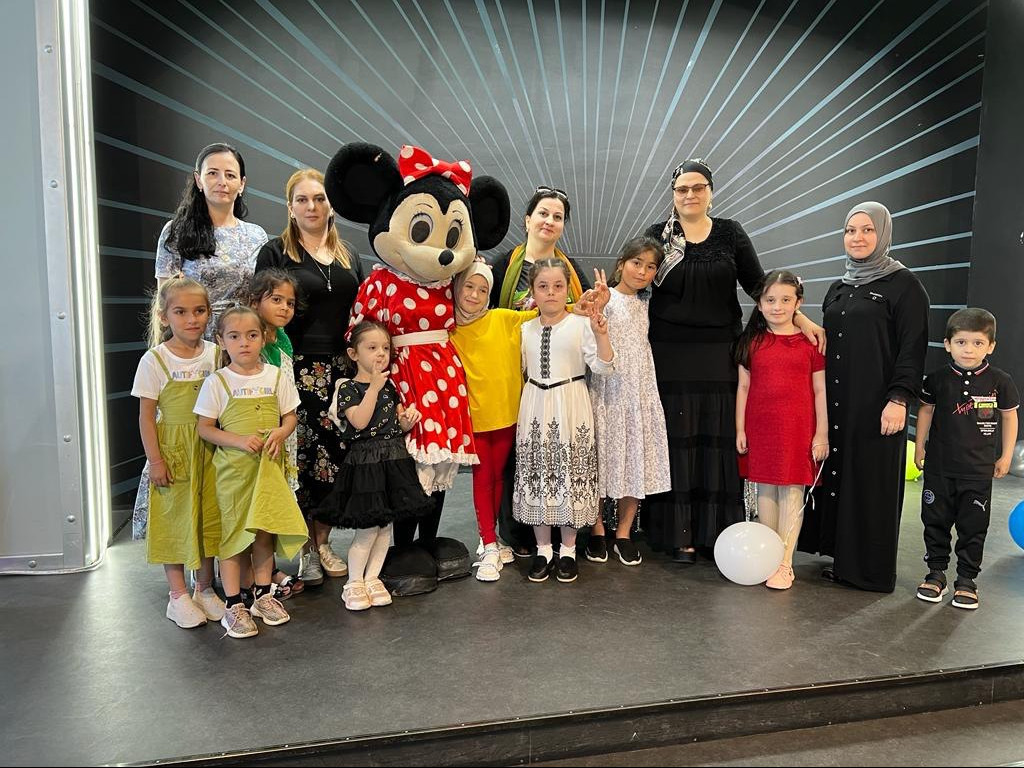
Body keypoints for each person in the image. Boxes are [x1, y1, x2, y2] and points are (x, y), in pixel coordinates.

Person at [643, 158, 824, 564]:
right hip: (669, 354)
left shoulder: (730, 232)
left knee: (716, 442)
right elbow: (635, 281)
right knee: (676, 442)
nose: (690, 195)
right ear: (673, 195)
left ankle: (716, 533)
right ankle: (679, 536)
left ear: (711, 191)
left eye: (698, 187)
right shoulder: (658, 236)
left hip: (721, 352)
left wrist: (801, 319)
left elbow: (761, 286)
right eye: (682, 189)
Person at [134, 142, 267, 541]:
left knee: (238, 437)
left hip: (241, 347)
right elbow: (168, 299)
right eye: (212, 173)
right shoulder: (176, 233)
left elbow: (261, 297)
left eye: (230, 174)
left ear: (242, 184)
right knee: (194, 436)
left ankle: (238, 548)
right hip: (194, 346)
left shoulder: (256, 236)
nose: (221, 181)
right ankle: (195, 544)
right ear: (198, 179)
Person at [799, 202, 929, 593]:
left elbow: (913, 348)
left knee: (872, 484)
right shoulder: (840, 287)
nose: (857, 238)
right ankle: (842, 561)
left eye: (867, 230)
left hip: (877, 403)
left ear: (883, 234)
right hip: (839, 401)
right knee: (842, 477)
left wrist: (899, 399)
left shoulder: (904, 286)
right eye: (850, 230)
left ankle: (870, 572)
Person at [255, 169, 364, 587]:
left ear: (330, 204)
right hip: (292, 367)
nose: (312, 206)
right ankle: (303, 550)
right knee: (299, 460)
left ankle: (323, 542)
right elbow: (261, 310)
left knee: (334, 460)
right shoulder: (275, 252)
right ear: (290, 207)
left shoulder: (348, 254)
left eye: (319, 198)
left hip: (340, 370)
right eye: (302, 199)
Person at [488, 186, 593, 556]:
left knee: (561, 456)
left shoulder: (571, 271)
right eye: (543, 213)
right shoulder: (504, 266)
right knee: (518, 456)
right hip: (512, 374)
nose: (549, 221)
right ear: (528, 219)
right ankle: (519, 533)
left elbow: (584, 315)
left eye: (558, 217)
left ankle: (565, 538)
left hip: (560, 382)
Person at [195, 306, 308, 638]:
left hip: (268, 472)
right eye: (234, 336)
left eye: (252, 335)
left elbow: (290, 417)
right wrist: (239, 440)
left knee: (264, 533)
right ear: (221, 341)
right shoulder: (217, 382)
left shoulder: (275, 376)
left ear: (264, 338)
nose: (244, 342)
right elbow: (205, 428)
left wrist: (280, 433)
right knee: (234, 535)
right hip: (232, 474)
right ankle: (234, 604)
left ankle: (263, 595)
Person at [315, 321, 433, 610]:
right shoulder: (348, 388)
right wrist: (374, 389)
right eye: (372, 348)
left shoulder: (389, 386)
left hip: (393, 460)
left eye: (385, 348)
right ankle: (354, 582)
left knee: (384, 528)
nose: (381, 353)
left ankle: (372, 578)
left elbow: (395, 423)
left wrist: (407, 421)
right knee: (368, 529)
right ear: (353, 354)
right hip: (366, 464)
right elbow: (359, 421)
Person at [513, 259, 615, 584]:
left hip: (570, 404)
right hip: (534, 404)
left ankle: (568, 550)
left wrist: (601, 334)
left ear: (567, 289)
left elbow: (604, 366)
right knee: (539, 472)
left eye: (558, 286)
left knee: (569, 473)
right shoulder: (524, 330)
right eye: (543, 286)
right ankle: (543, 549)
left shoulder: (581, 325)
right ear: (533, 291)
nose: (551, 293)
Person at [131, 277, 223, 628]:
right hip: (174, 450)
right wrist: (156, 460)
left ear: (209, 313)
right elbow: (146, 416)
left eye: (199, 311)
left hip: (210, 449)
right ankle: (178, 594)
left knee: (209, 517)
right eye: (181, 312)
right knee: (174, 518)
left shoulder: (216, 354)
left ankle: (204, 587)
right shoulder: (155, 360)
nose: (191, 319)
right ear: (164, 316)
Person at [914, 308, 1019, 609]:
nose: (968, 350)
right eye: (961, 342)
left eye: (977, 343)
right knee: (935, 521)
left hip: (977, 470)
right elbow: (925, 411)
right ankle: (936, 574)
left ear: (991, 346)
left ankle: (966, 580)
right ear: (948, 344)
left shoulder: (1000, 381)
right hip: (940, 467)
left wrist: (1006, 455)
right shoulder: (936, 379)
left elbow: (1009, 417)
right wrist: (919, 447)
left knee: (973, 526)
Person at [735, 271, 828, 590]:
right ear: (759, 304)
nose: (777, 307)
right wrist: (740, 429)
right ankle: (769, 558)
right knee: (765, 491)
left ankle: (785, 562)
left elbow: (820, 390)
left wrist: (822, 433)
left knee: (791, 490)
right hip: (761, 428)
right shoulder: (751, 343)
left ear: (798, 303)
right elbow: (743, 387)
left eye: (786, 300)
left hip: (798, 429)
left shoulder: (811, 344)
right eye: (770, 300)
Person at [586, 237, 671, 567]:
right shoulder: (603, 298)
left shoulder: (650, 305)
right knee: (598, 460)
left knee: (635, 460)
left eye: (651, 267)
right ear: (622, 263)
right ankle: (596, 529)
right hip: (606, 391)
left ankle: (623, 532)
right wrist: (596, 304)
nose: (642, 271)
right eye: (637, 263)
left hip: (639, 393)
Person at [247, 268, 304, 599]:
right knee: (256, 507)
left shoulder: (282, 338)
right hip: (258, 432)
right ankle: (253, 577)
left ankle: (266, 571)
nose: (284, 308)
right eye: (276, 300)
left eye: (290, 303)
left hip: (282, 431)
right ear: (256, 301)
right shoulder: (250, 339)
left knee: (272, 505)